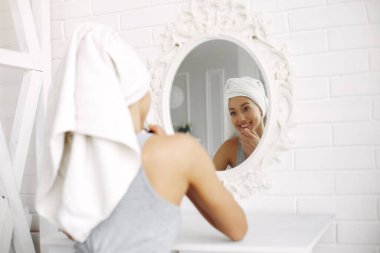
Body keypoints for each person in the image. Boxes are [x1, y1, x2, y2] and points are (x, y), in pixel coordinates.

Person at [35, 23, 247, 253]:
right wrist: (180, 161)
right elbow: (237, 228)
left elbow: (73, 229)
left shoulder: (73, 163)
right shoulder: (179, 152)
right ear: (138, 92)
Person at [213, 77, 268, 171]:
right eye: (233, 113)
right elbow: (206, 183)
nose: (241, 119)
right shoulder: (229, 148)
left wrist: (260, 154)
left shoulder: (279, 143)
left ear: (261, 108)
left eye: (246, 108)